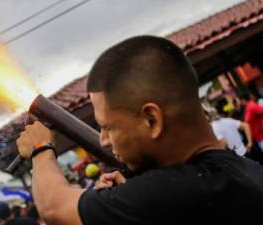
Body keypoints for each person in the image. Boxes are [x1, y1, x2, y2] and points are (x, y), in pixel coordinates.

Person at [16, 36, 263, 225]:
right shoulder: (246, 171)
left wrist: (41, 148)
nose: (103, 141)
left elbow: (53, 207)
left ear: (152, 119)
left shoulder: (177, 193)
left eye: (108, 127)